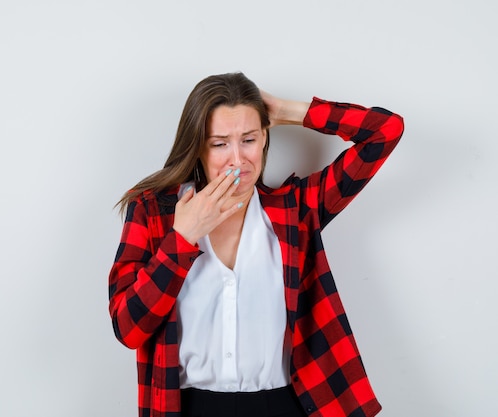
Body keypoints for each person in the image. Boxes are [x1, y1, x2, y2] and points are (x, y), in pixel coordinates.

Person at [109, 72, 404, 417]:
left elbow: (386, 131)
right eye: (220, 143)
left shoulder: (295, 211)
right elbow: (128, 328)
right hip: (188, 408)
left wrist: (289, 111)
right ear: (198, 147)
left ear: (265, 137)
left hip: (285, 405)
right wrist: (182, 239)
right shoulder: (153, 212)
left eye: (248, 139)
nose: (238, 159)